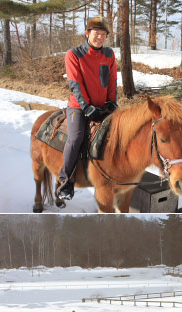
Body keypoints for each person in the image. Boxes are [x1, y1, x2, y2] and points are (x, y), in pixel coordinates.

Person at [58, 15, 118, 199]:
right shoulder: (74, 54)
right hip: (79, 107)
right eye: (96, 33)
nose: (100, 37)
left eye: (103, 34)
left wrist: (112, 102)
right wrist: (86, 107)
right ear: (87, 33)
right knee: (75, 139)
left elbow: (112, 81)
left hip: (103, 106)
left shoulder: (109, 54)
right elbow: (75, 83)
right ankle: (66, 182)